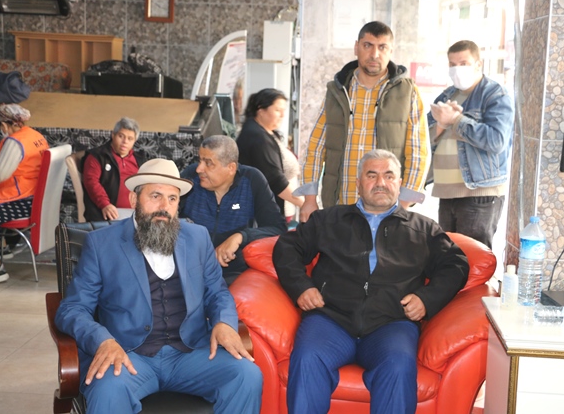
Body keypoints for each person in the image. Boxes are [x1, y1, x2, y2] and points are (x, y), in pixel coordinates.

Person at [55, 158, 262, 414]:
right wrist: (102, 341)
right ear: (134, 199)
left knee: (247, 376)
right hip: (129, 356)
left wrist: (224, 323)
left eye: (172, 199)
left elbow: (217, 292)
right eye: (155, 196)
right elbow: (72, 309)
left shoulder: (198, 238)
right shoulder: (101, 244)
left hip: (191, 354)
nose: (164, 207)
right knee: (108, 390)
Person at [273, 149, 469, 414]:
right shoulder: (329, 219)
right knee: (307, 358)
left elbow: (456, 264)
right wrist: (301, 287)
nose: (380, 183)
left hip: (391, 324)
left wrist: (427, 299)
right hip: (331, 319)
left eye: (389, 176)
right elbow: (287, 248)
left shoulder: (423, 229)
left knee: (398, 367)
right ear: (358, 183)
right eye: (372, 175)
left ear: (399, 183)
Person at [296, 21, 431, 222]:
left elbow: (418, 152)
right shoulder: (337, 91)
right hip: (340, 205)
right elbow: (316, 147)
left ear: (391, 51)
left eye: (382, 47)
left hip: (386, 208)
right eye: (368, 45)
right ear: (356, 47)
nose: (374, 54)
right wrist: (309, 199)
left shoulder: (407, 92)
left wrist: (402, 206)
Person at [427, 40, 514, 249]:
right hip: (447, 193)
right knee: (448, 258)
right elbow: (424, 138)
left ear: (478, 64)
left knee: (473, 258)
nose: (457, 69)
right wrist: (441, 125)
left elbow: (496, 140)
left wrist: (456, 120)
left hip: (478, 193)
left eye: (464, 63)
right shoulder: (447, 95)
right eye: (452, 64)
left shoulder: (495, 95)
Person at [181, 135, 287, 286]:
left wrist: (241, 236)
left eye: (208, 163)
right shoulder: (190, 178)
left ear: (231, 168)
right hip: (189, 270)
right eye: (200, 160)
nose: (199, 169)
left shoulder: (252, 180)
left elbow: (277, 228)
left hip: (233, 274)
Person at [0, 104, 48, 284]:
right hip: (33, 198)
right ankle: (2, 247)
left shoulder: (15, 142)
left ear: (4, 125)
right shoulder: (36, 136)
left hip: (19, 200)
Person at [236, 88, 303, 216]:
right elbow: (275, 180)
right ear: (261, 110)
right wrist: (304, 204)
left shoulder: (264, 131)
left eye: (283, 111)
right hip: (262, 212)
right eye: (277, 110)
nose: (282, 115)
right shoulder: (257, 137)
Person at [81, 117, 147, 222]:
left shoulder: (140, 159)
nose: (125, 142)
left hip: (137, 213)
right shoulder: (97, 156)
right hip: (109, 212)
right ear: (113, 135)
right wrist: (105, 204)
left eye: (130, 139)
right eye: (121, 136)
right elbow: (91, 182)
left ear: (134, 141)